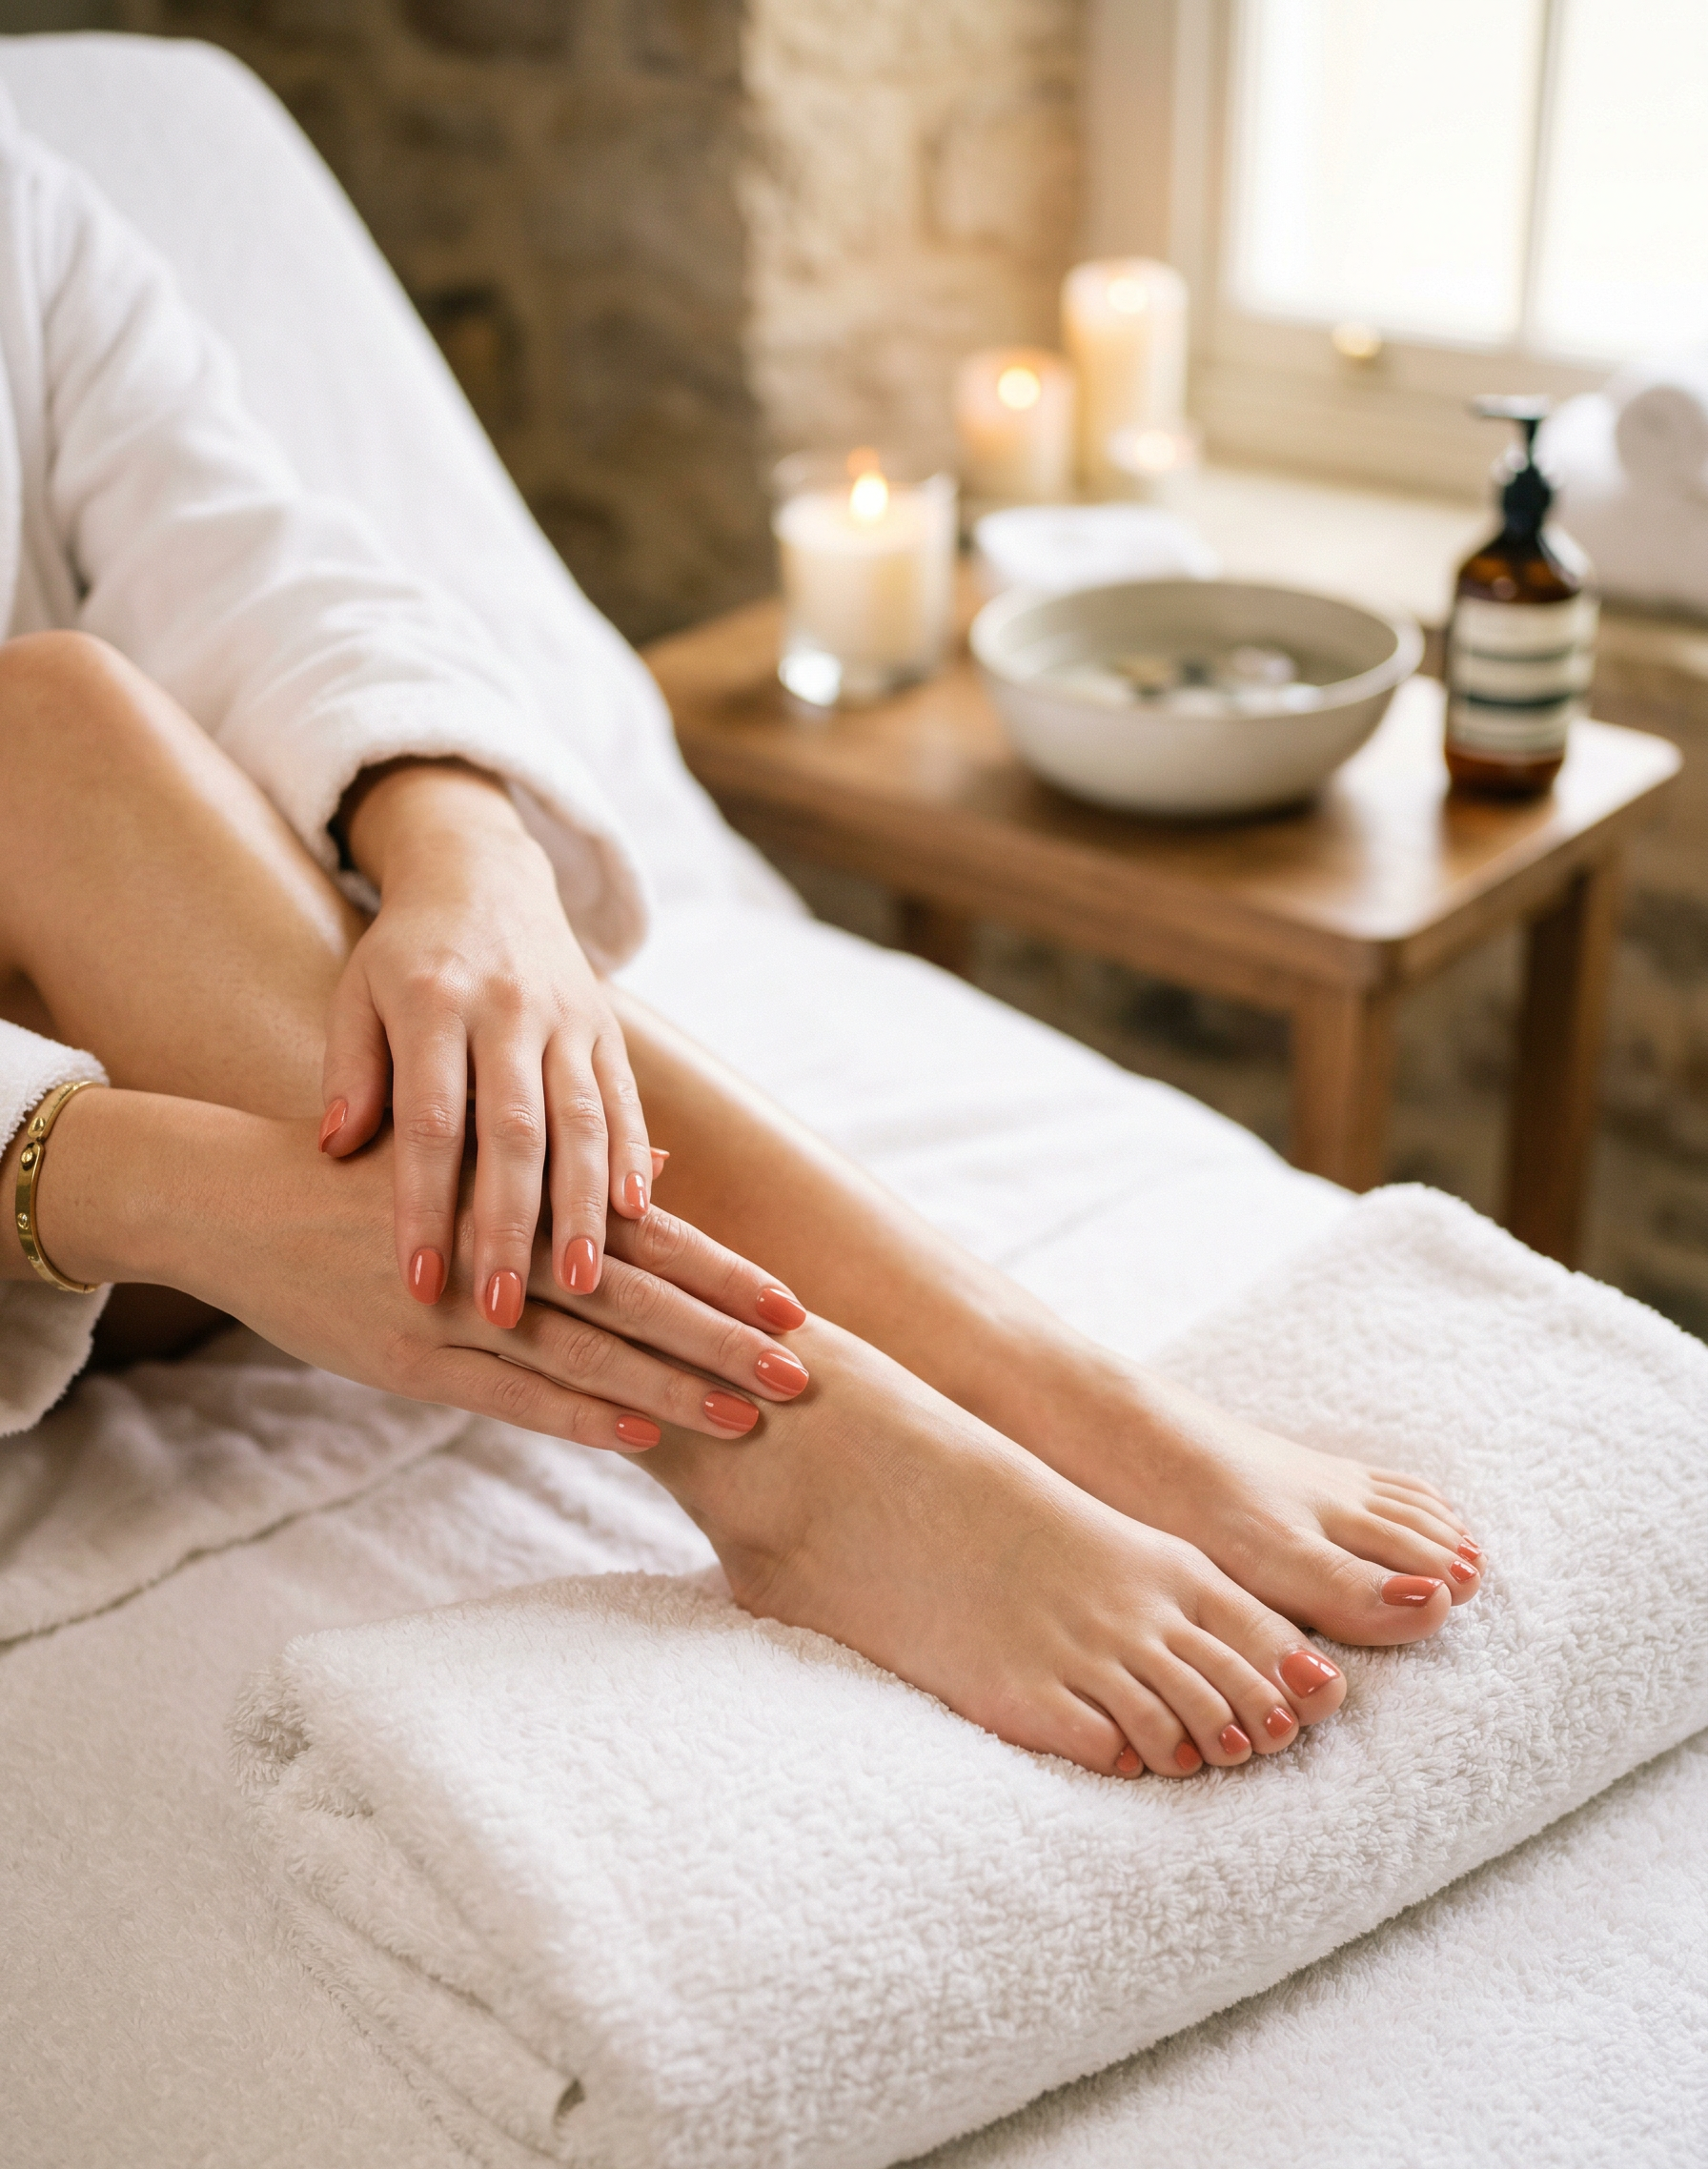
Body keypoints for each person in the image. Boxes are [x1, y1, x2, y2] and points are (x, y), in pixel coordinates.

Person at [0, 117, 1478, 1786]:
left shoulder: (15, 192)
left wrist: (467, 863)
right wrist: (133, 1175)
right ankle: (795, 1456)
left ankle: (1038, 1386)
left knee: (105, 755)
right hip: (56, 1215)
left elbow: (255, 561)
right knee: (35, 729)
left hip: (201, 1095)